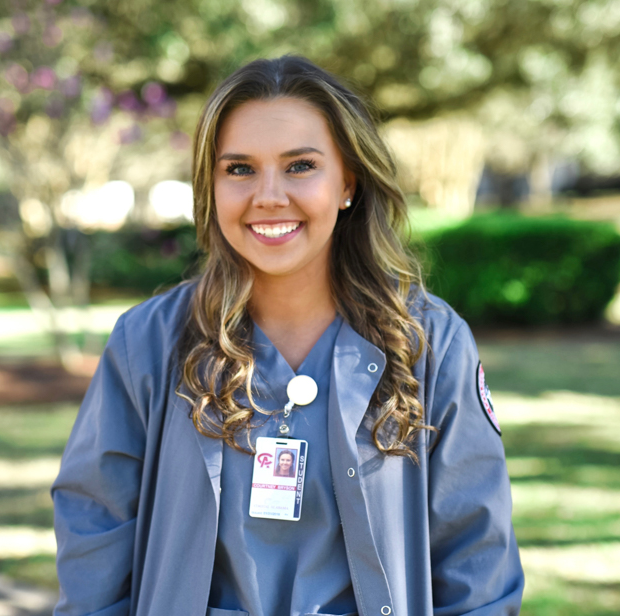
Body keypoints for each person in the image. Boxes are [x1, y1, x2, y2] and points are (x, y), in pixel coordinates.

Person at [51, 55, 524, 616]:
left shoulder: (429, 344)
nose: (269, 196)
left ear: (348, 181)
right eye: (240, 169)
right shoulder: (147, 343)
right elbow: (95, 531)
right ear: (212, 186)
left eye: (300, 166)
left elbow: (476, 557)